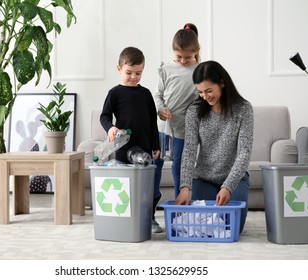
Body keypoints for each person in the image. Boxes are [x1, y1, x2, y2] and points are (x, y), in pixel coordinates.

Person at [175, 60, 254, 233]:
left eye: (209, 90)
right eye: (200, 92)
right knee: (204, 225)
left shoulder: (244, 109)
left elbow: (244, 153)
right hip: (204, 179)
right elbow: (188, 151)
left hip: (235, 179)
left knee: (231, 226)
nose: (205, 96)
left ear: (222, 83)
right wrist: (185, 187)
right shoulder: (195, 111)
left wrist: (228, 186)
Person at [100, 46, 161, 231]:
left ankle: (149, 218)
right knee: (125, 187)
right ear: (119, 69)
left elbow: (152, 122)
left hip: (145, 148)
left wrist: (156, 145)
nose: (133, 77)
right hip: (123, 149)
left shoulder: (146, 94)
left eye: (138, 73)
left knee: (148, 187)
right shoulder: (115, 93)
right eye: (129, 72)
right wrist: (110, 128)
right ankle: (125, 218)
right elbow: (104, 116)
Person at [152, 23, 200, 233]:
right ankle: (151, 215)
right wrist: (161, 108)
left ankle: (183, 213)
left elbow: (203, 99)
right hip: (162, 128)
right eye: (178, 57)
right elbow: (157, 95)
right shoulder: (165, 69)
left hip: (183, 131)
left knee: (180, 169)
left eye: (187, 58)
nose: (182, 61)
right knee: (155, 168)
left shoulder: (199, 71)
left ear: (196, 53)